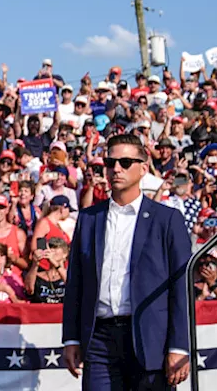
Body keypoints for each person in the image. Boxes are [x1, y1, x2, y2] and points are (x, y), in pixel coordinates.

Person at [62, 133, 192, 390]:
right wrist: (71, 339)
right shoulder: (89, 219)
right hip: (99, 339)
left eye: (124, 162)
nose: (115, 169)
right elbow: (75, 281)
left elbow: (182, 288)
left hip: (150, 339)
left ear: (144, 168)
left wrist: (179, 346)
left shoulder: (167, 219)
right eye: (109, 163)